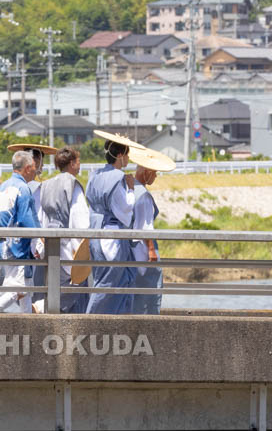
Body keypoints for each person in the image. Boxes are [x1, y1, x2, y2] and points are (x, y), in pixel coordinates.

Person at [85, 132, 139, 315]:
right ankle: (92, 319)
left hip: (95, 230)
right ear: (120, 155)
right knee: (111, 280)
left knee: (103, 277)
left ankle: (109, 319)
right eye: (127, 154)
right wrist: (131, 189)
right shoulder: (118, 177)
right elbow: (125, 208)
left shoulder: (95, 174)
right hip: (111, 233)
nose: (129, 158)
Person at [0, 150, 41, 314]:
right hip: (19, 247)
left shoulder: (3, 187)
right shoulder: (23, 189)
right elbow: (28, 221)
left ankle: (29, 323)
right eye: (35, 166)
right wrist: (38, 246)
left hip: (3, 246)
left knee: (23, 288)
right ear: (28, 168)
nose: (36, 170)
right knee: (20, 288)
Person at [36, 146, 90, 313]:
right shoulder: (73, 185)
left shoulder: (45, 185)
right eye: (78, 161)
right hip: (68, 244)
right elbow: (79, 220)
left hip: (49, 242)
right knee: (76, 288)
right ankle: (42, 307)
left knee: (54, 284)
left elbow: (41, 216)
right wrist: (81, 249)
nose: (80, 165)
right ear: (72, 163)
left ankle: (46, 310)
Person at [6, 143, 56, 309]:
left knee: (15, 281)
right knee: (26, 283)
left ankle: (20, 314)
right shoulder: (35, 188)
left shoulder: (10, 185)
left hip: (10, 241)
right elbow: (36, 217)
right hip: (30, 241)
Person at [128, 146, 175, 314]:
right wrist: (152, 251)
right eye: (154, 172)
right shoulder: (144, 195)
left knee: (134, 292)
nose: (155, 176)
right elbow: (146, 226)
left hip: (129, 249)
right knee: (150, 290)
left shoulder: (129, 187)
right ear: (146, 172)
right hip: (143, 248)